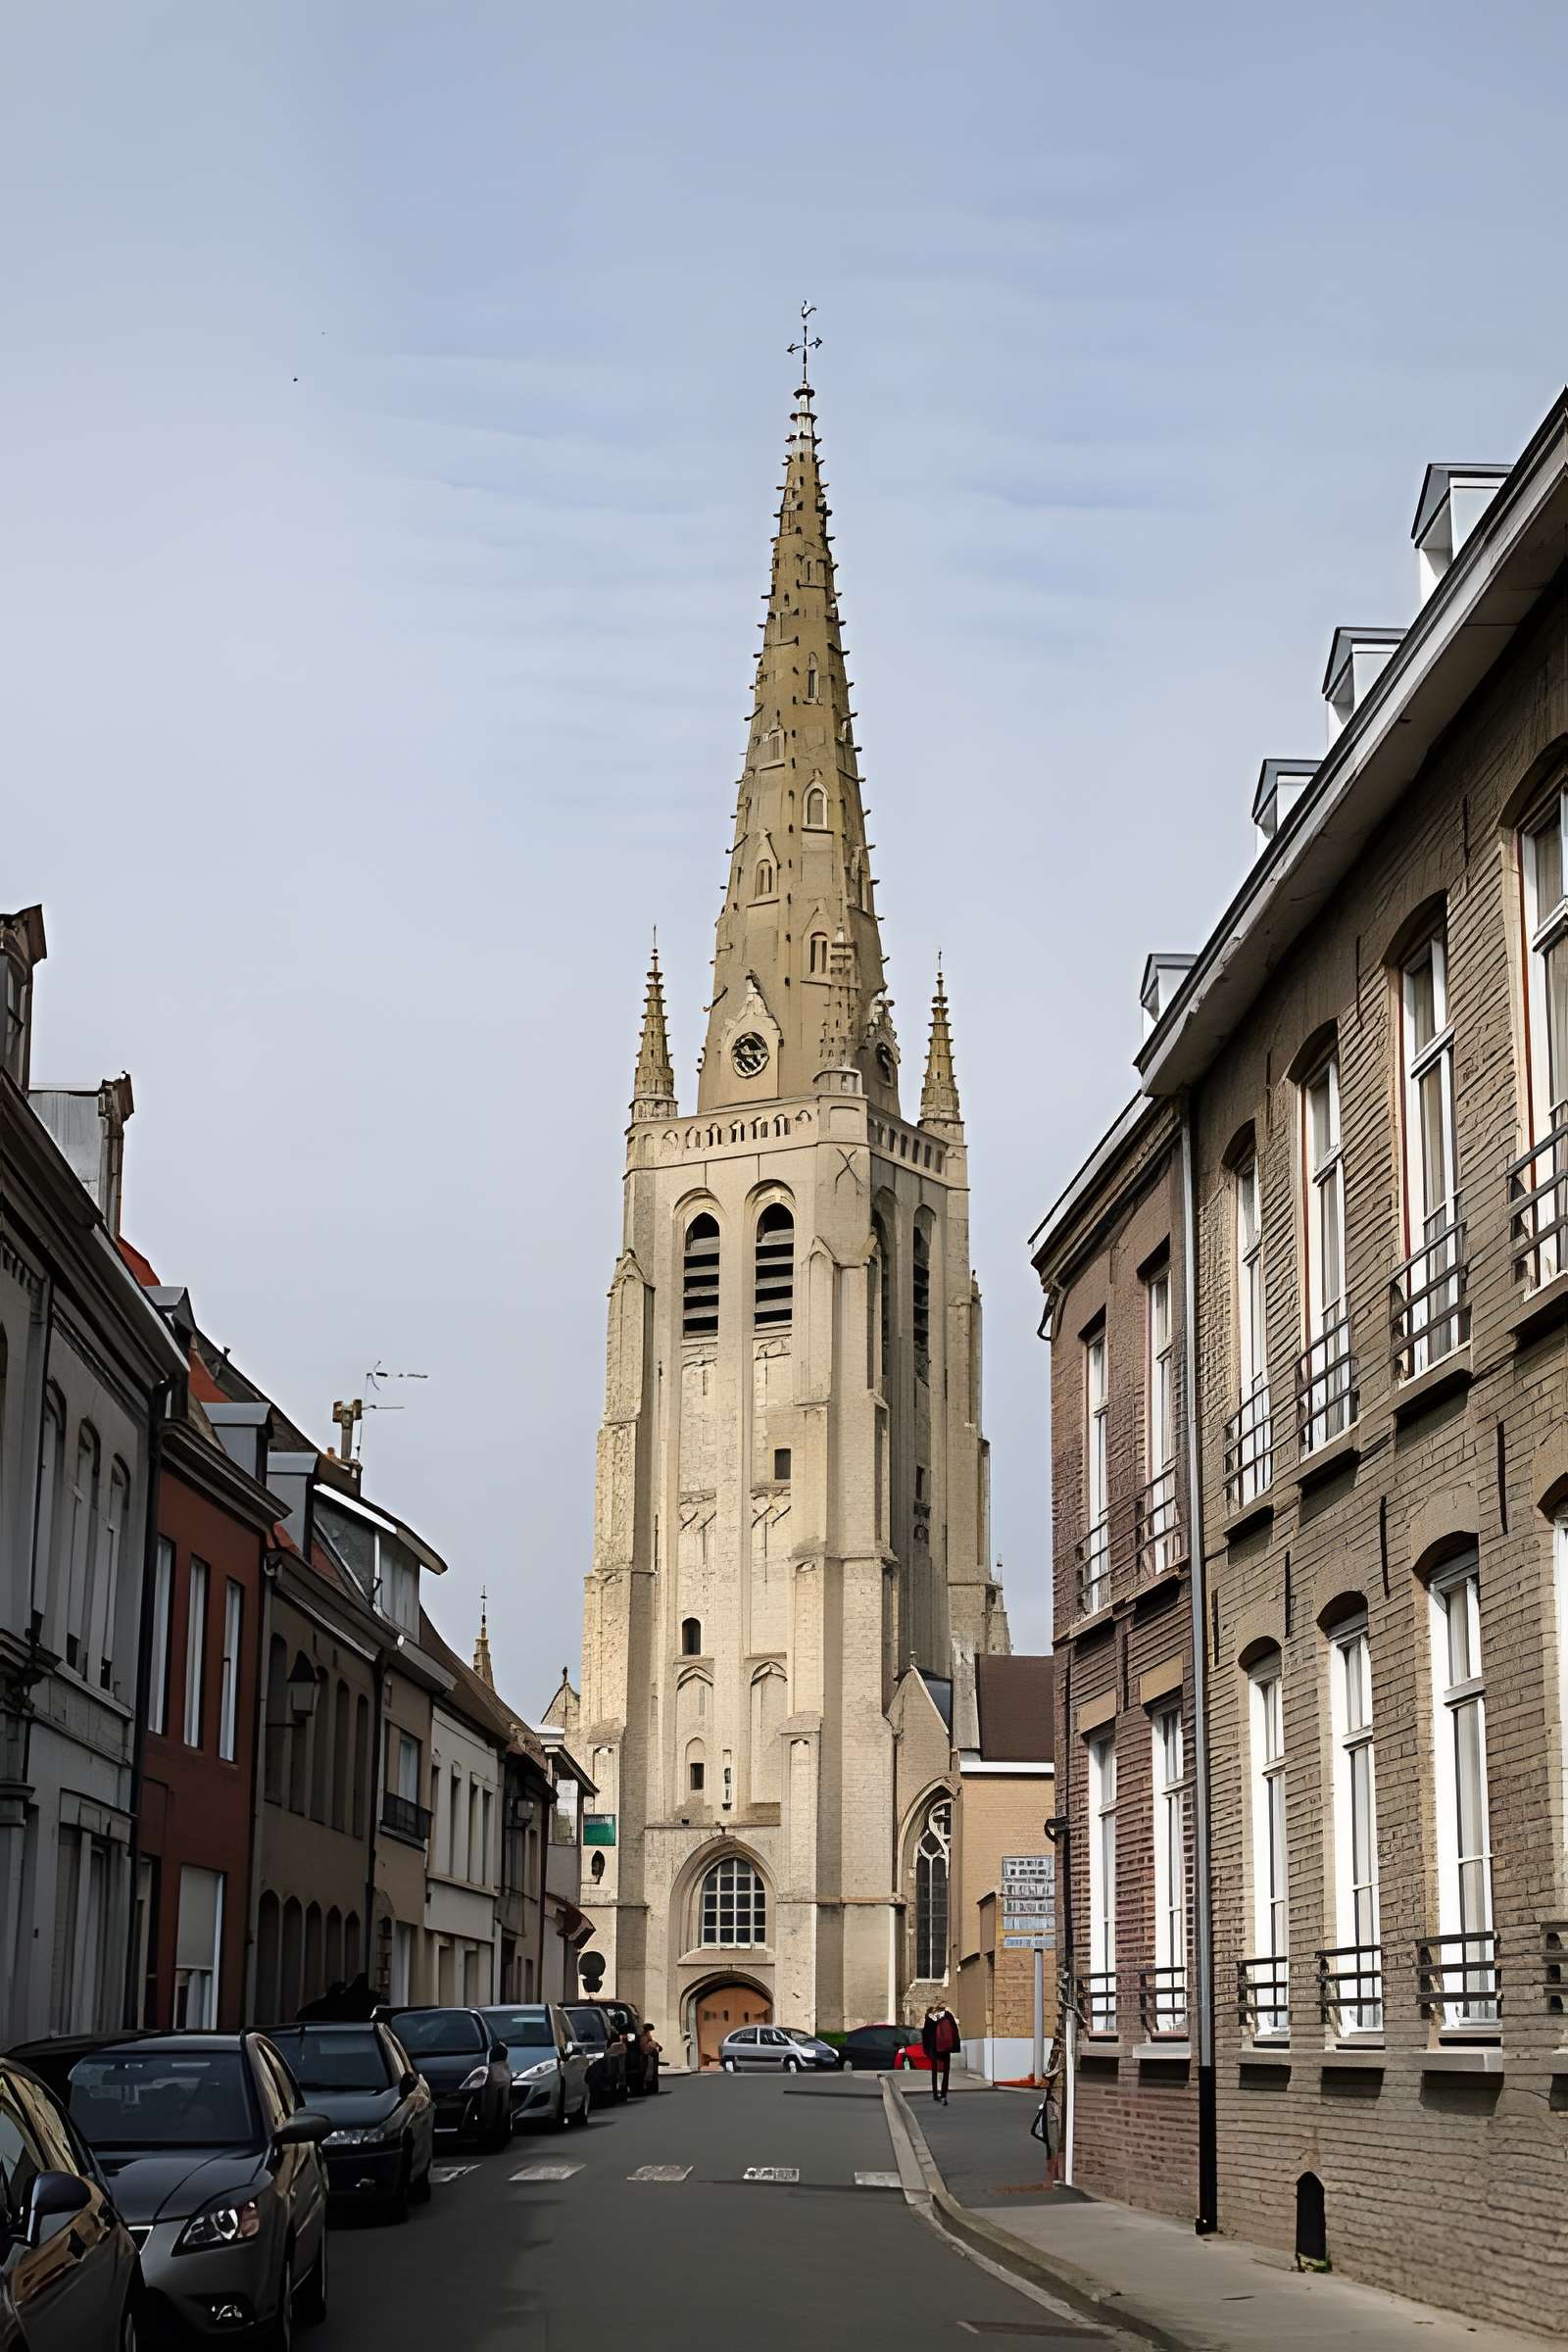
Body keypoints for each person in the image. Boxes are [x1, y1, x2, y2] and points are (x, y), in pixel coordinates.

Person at [921, 2002, 959, 2103]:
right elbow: (954, 2030)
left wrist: (927, 2049)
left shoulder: (929, 2017)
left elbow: (925, 2034)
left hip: (934, 2047)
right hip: (945, 2047)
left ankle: (935, 2094)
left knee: (934, 2071)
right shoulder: (947, 2015)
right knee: (946, 2072)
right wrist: (955, 2046)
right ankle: (943, 2094)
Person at [638, 2022, 662, 2095]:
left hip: (650, 2056)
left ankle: (650, 2087)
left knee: (651, 2072)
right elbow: (646, 2047)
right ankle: (648, 2088)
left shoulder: (645, 2036)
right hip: (648, 2056)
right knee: (649, 2072)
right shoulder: (644, 2037)